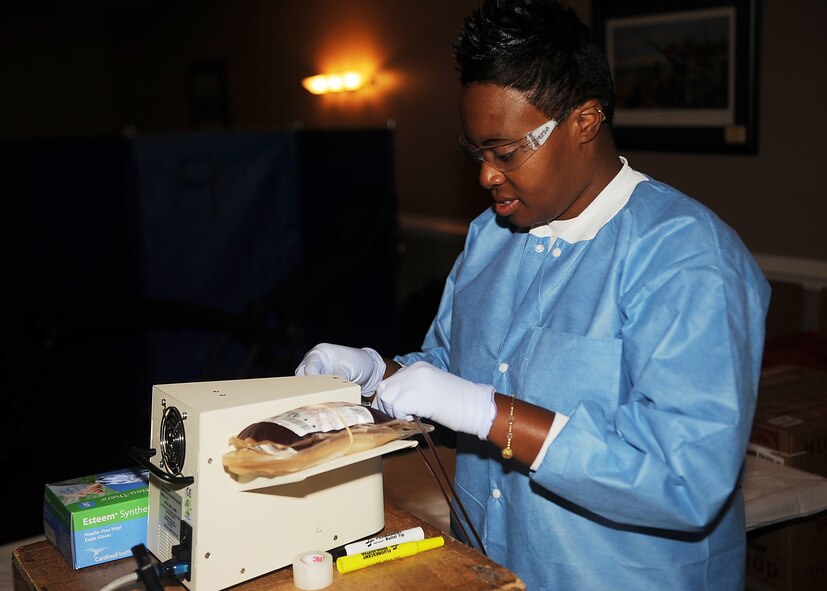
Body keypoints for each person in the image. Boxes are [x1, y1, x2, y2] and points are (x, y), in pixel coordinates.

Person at [295, 1, 770, 589]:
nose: (486, 176)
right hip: (488, 569)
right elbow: (452, 373)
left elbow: (685, 480)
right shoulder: (490, 237)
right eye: (476, 154)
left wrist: (492, 414)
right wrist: (373, 374)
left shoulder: (687, 258)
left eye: (506, 152)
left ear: (586, 121)